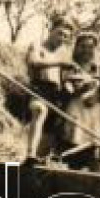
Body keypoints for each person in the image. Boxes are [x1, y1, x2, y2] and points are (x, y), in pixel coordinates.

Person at [20, 18, 76, 161]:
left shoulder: (64, 52)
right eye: (59, 33)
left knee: (52, 130)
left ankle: (39, 159)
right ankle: (30, 153)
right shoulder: (37, 45)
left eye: (65, 36)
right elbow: (33, 62)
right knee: (39, 110)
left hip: (57, 94)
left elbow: (65, 76)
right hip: (39, 90)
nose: (62, 38)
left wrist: (71, 82)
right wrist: (60, 62)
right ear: (51, 30)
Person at [60, 30, 100, 170]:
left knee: (94, 150)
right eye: (83, 46)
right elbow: (66, 90)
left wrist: (98, 95)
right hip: (76, 110)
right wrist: (81, 88)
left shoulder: (99, 68)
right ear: (77, 47)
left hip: (95, 112)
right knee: (74, 147)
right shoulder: (70, 66)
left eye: (90, 46)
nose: (86, 50)